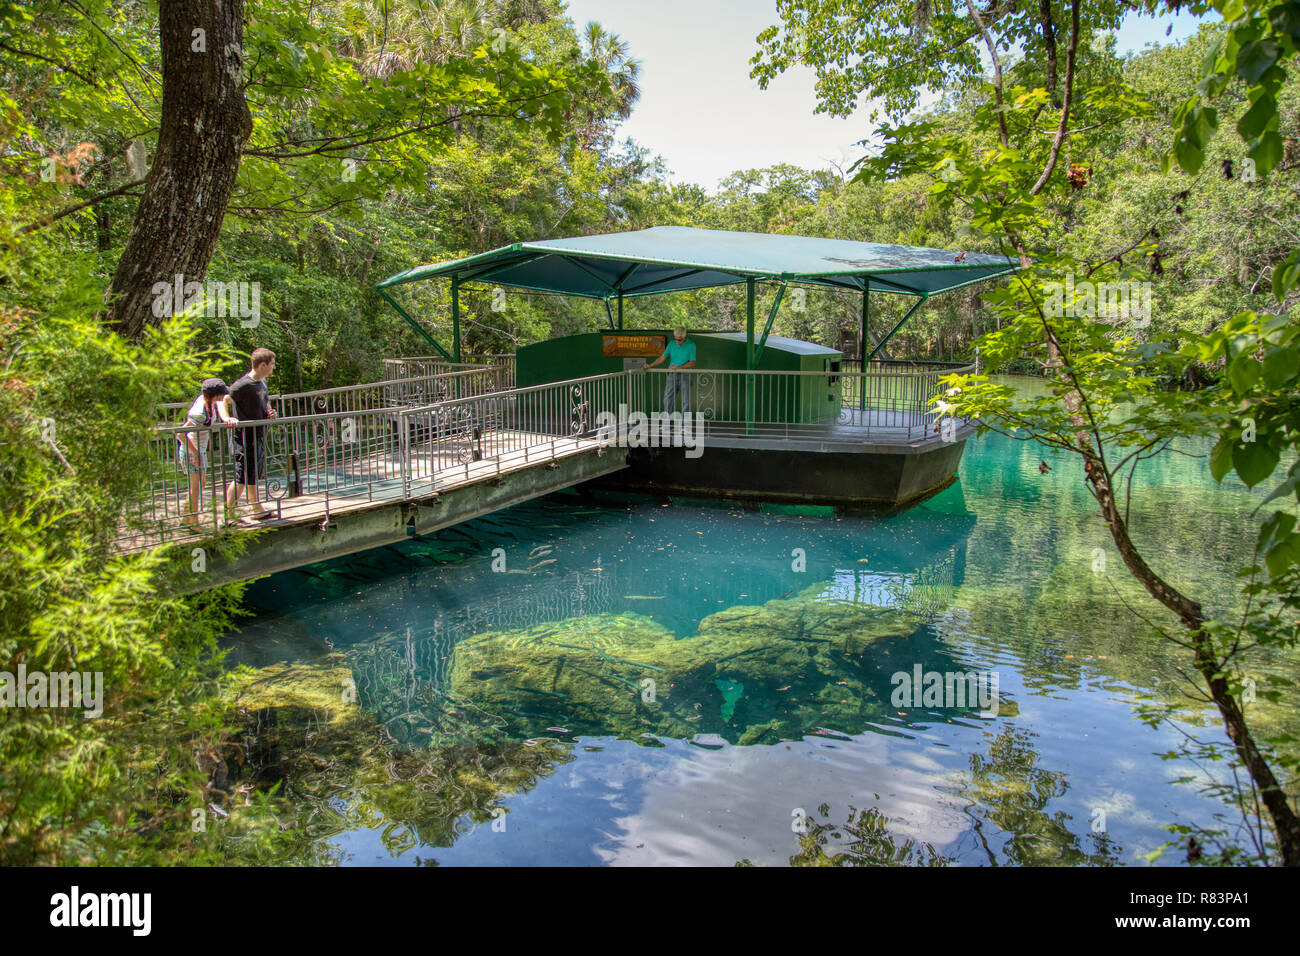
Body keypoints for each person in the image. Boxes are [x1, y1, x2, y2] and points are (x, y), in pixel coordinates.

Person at [225, 348, 278, 521]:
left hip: (258, 436)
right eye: (272, 364)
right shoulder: (243, 384)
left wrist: (269, 412)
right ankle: (228, 515)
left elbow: (265, 402)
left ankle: (257, 508)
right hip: (245, 438)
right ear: (262, 365)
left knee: (253, 474)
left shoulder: (262, 382)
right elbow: (223, 400)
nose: (274, 367)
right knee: (241, 477)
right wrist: (227, 417)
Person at [178, 378, 237, 526]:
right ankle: (193, 523)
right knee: (195, 488)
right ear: (214, 395)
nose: (223, 396)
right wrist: (196, 453)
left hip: (200, 451)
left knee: (200, 485)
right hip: (192, 452)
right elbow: (180, 434)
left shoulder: (209, 402)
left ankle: (186, 519)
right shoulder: (199, 412)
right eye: (221, 394)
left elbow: (228, 401)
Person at [648, 326, 696, 414]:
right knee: (667, 398)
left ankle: (685, 425)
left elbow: (692, 362)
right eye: (676, 339)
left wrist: (678, 368)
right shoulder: (671, 344)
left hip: (685, 374)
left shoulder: (691, 345)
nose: (677, 341)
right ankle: (667, 422)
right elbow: (662, 358)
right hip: (672, 374)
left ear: (685, 337)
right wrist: (650, 365)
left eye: (679, 340)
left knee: (686, 400)